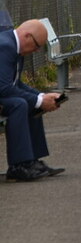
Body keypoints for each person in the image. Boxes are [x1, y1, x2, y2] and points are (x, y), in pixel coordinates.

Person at [0, 19, 65, 182]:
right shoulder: (5, 46)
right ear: (28, 36)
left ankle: (32, 161)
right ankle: (18, 165)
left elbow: (16, 83)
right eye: (36, 46)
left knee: (29, 103)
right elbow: (4, 88)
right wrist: (38, 100)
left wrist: (42, 96)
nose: (36, 51)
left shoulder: (16, 48)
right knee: (20, 104)